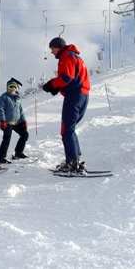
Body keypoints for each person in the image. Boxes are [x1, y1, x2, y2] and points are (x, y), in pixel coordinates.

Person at [42, 37, 90, 172]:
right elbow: (73, 78)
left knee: (66, 130)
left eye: (52, 48)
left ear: (58, 46)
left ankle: (72, 163)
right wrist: (57, 87)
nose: (52, 52)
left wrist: (52, 84)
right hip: (83, 95)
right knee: (70, 129)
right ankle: (75, 159)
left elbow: (66, 77)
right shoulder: (76, 57)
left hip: (74, 96)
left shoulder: (66, 56)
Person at [0, 78, 29, 164]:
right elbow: (0, 109)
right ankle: (1, 157)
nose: (12, 88)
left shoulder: (17, 99)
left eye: (14, 87)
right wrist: (2, 120)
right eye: (10, 86)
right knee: (7, 138)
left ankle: (18, 153)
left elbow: (21, 111)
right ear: (7, 88)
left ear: (16, 88)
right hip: (7, 122)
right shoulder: (3, 98)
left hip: (17, 122)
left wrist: (24, 121)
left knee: (25, 135)